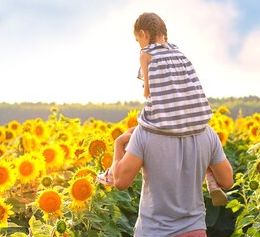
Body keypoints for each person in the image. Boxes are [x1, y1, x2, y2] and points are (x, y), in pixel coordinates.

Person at [97, 12, 228, 206]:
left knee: (126, 148)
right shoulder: (178, 52)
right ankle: (211, 183)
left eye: (137, 40)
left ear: (144, 34)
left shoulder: (146, 54)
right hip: (193, 118)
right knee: (202, 152)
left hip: (155, 232)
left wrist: (119, 143)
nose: (139, 44)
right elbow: (229, 181)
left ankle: (109, 172)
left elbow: (148, 91)